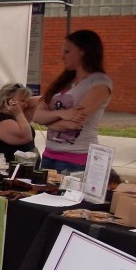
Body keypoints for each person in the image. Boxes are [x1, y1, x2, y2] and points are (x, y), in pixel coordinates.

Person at [31, 29, 112, 172]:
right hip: (50, 154)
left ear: (83, 51)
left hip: (75, 159)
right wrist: (62, 113)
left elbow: (72, 124)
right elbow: (37, 116)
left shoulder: (99, 83)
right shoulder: (64, 80)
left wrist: (46, 120)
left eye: (67, 52)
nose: (62, 57)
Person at [0, 83, 37, 162]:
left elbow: (42, 101)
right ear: (8, 101)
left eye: (26, 101)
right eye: (22, 100)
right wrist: (19, 114)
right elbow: (26, 137)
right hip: (4, 168)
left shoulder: (15, 118)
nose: (26, 105)